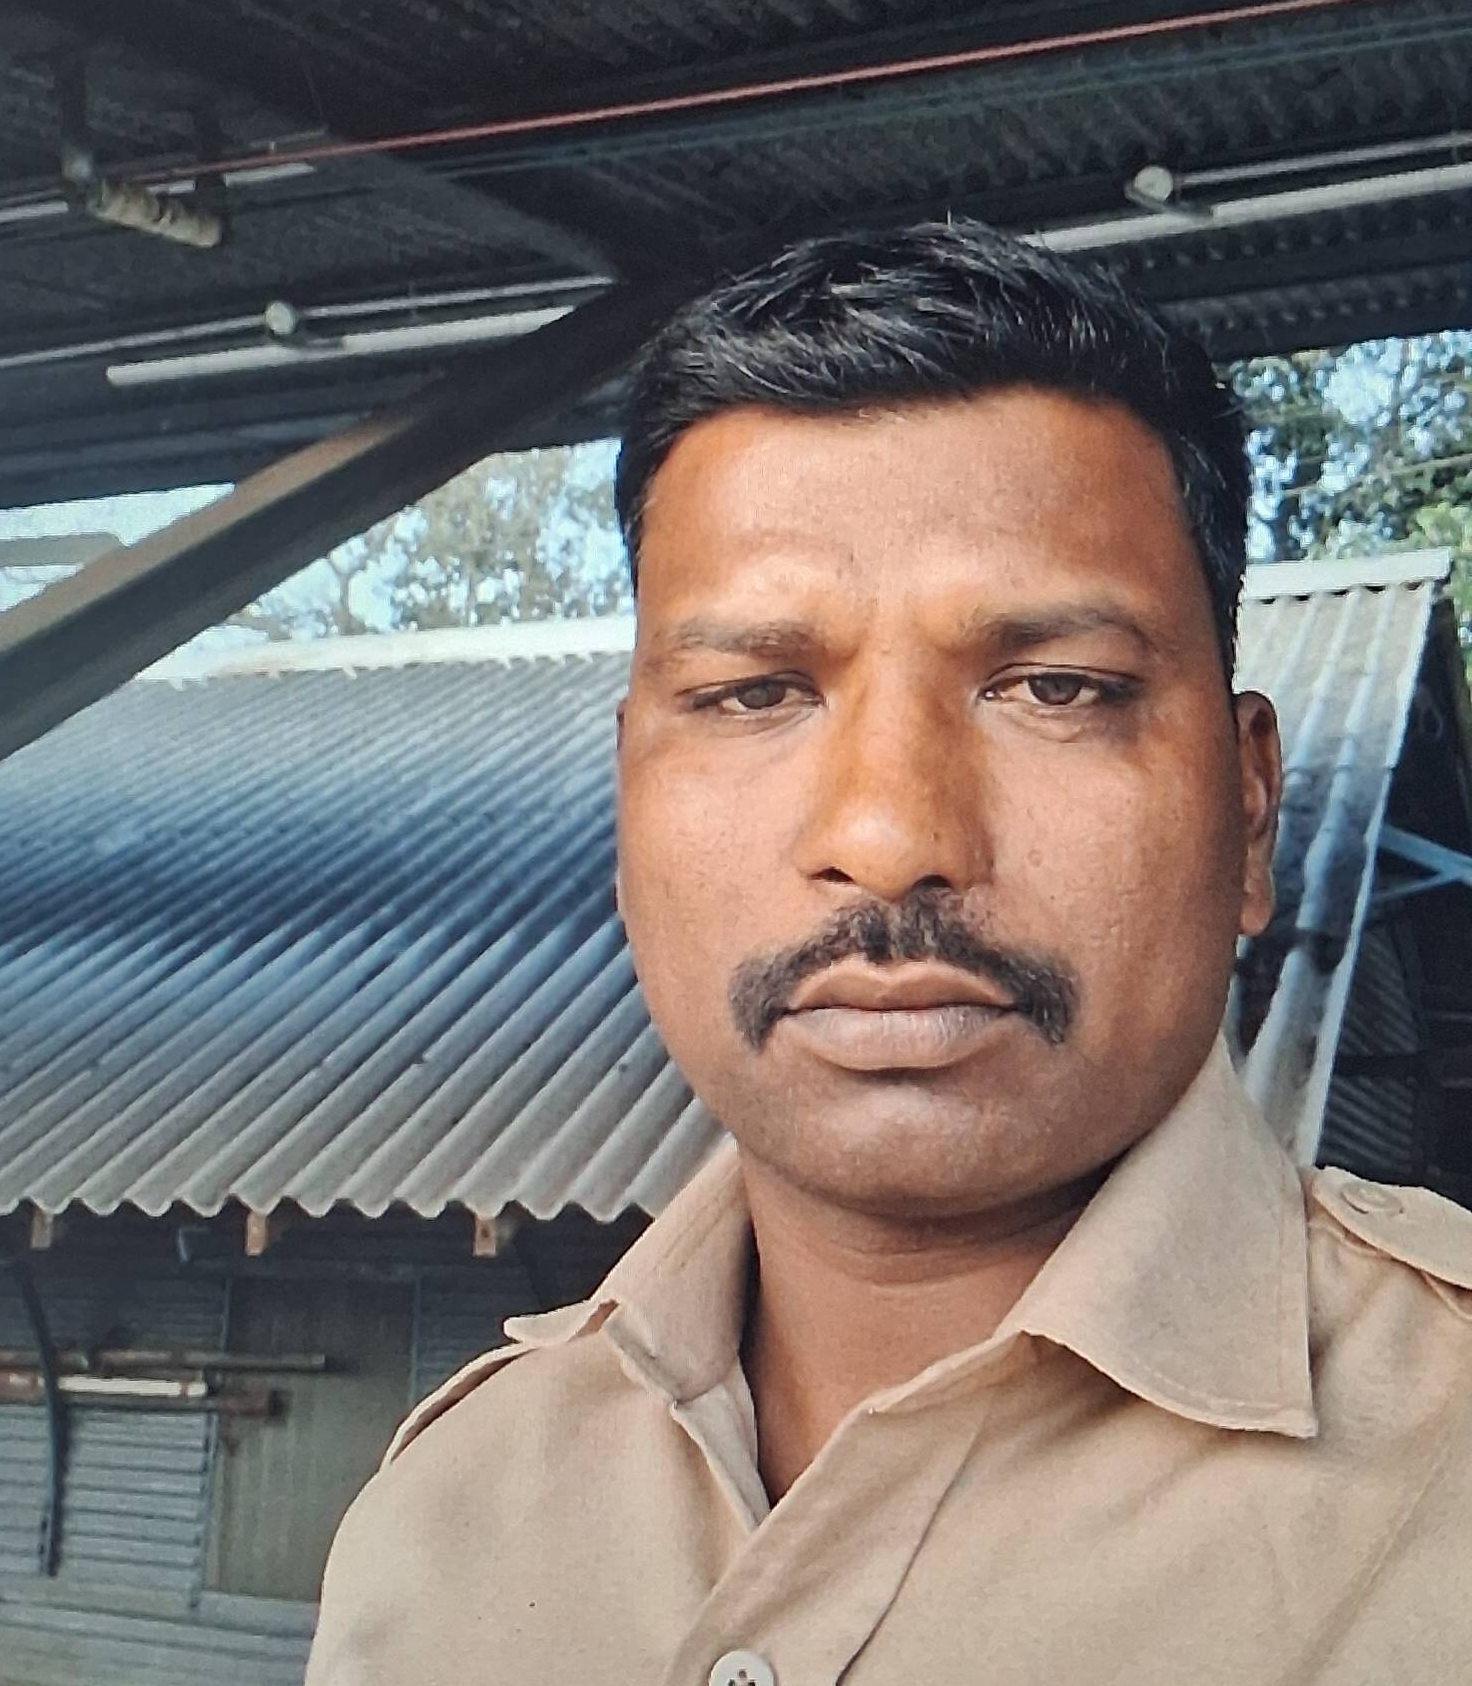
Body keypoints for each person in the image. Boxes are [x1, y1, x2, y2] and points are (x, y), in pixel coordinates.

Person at [306, 221, 1472, 1686]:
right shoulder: (440, 1524)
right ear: (626, 805)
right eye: (752, 694)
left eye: (1055, 687)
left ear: (1245, 811)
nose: (888, 834)